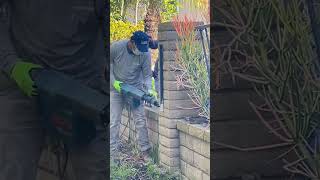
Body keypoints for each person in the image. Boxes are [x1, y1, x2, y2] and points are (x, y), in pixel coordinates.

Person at [0, 1, 107, 180]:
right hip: (27, 78)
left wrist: (106, 90)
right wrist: (11, 64)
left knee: (96, 168)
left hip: (83, 89)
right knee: (13, 165)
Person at [110, 31, 156, 162]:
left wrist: (149, 90)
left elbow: (147, 76)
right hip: (116, 90)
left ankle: (145, 151)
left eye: (143, 49)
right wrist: (114, 82)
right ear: (132, 42)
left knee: (140, 120)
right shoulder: (116, 47)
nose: (141, 51)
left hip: (135, 91)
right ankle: (112, 154)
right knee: (114, 121)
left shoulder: (145, 53)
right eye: (139, 48)